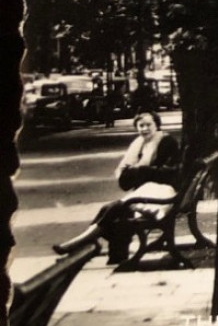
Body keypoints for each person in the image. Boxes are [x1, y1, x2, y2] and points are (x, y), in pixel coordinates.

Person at [52, 111, 183, 265]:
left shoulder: (167, 142)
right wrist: (133, 172)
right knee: (110, 211)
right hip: (147, 193)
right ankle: (110, 253)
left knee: (114, 209)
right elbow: (125, 181)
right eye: (141, 126)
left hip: (161, 195)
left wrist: (139, 170)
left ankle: (81, 245)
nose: (145, 129)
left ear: (157, 125)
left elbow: (170, 174)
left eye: (149, 125)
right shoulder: (139, 144)